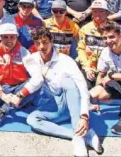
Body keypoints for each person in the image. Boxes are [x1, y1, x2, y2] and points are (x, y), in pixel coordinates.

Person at [26, 28, 102, 157]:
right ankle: (82, 135)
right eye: (37, 43)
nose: (41, 47)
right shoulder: (30, 60)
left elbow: (83, 89)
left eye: (45, 42)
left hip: (71, 104)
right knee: (32, 119)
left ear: (51, 42)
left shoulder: (66, 61)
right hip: (54, 107)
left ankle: (79, 140)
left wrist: (84, 116)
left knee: (68, 81)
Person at [0, 23, 41, 125]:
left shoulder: (24, 52)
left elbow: (37, 77)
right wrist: (2, 95)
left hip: (19, 87)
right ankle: (15, 103)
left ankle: (5, 109)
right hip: (2, 87)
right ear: (0, 37)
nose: (9, 40)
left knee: (38, 84)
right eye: (5, 37)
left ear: (16, 37)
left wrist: (20, 95)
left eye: (12, 37)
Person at [77, 0, 110, 89]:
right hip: (89, 67)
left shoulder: (115, 29)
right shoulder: (85, 29)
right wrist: (87, 68)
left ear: (107, 13)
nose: (97, 14)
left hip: (107, 70)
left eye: (101, 11)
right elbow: (81, 50)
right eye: (95, 11)